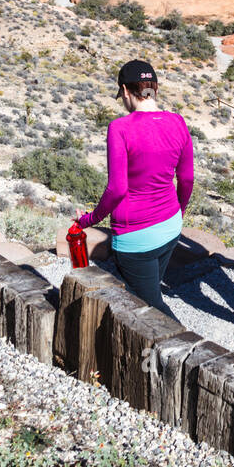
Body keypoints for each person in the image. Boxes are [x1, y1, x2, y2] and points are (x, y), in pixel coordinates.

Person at [75, 59, 193, 316]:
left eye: (122, 95)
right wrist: (178, 213)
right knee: (150, 293)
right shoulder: (178, 122)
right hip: (171, 226)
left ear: (127, 91)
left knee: (151, 308)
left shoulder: (120, 128)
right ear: (154, 89)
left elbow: (117, 189)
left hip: (135, 236)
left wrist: (89, 220)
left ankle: (185, 349)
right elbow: (186, 180)